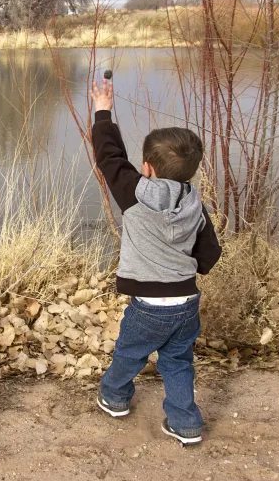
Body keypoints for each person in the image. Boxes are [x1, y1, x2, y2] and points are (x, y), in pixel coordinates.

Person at [90, 76, 222, 446]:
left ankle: (114, 398)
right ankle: (185, 423)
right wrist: (189, 265)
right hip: (186, 303)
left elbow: (109, 157)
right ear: (191, 171)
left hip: (149, 306)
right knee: (178, 361)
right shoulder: (196, 203)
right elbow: (209, 253)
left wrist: (104, 111)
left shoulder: (134, 192)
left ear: (147, 167)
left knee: (129, 353)